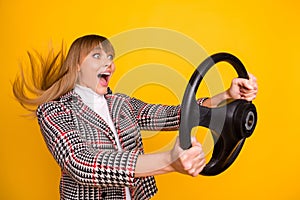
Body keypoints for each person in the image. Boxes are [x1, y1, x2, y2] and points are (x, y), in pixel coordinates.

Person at [13, 34, 258, 200]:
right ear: (76, 65)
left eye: (110, 57)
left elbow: (171, 115)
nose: (108, 63)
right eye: (97, 56)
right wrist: (167, 161)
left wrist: (225, 95)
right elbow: (80, 163)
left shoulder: (121, 103)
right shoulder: (54, 111)